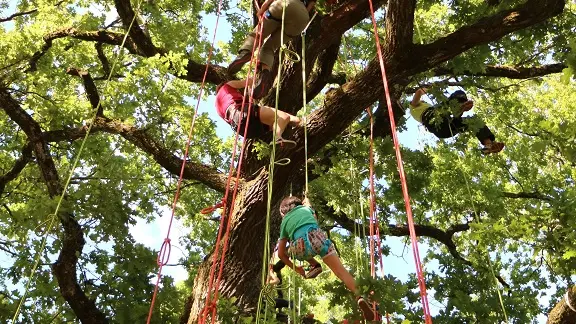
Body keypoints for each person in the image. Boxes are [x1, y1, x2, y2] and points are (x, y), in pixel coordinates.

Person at [276, 196, 376, 320]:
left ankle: (315, 265)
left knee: (288, 250)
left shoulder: (284, 222)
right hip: (318, 239)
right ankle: (359, 296)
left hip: (300, 248)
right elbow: (315, 220)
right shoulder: (306, 209)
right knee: (340, 271)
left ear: (283, 212)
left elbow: (280, 254)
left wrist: (297, 269)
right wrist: (308, 204)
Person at [227, 0, 316, 98]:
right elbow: (309, 7)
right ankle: (265, 74)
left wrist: (261, 11)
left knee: (256, 35)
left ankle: (245, 53)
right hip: (302, 18)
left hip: (284, 4)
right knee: (269, 47)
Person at [410, 88, 505, 154]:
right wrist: (429, 88)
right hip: (435, 121)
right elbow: (418, 92)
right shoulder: (413, 106)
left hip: (446, 129)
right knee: (450, 99)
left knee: (474, 121)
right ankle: (459, 105)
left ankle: (488, 145)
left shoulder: (428, 106)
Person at [215, 78, 300, 146]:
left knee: (282, 120)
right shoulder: (226, 86)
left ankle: (297, 121)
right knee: (282, 117)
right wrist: (252, 80)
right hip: (242, 113)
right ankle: (277, 138)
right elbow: (248, 81)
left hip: (243, 129)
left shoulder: (218, 107)